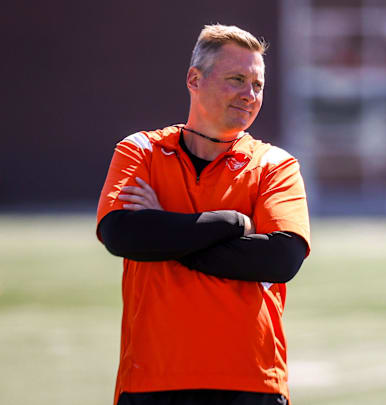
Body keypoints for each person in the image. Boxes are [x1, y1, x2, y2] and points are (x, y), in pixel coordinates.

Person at [96, 24, 310, 405]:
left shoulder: (274, 164)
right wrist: (229, 224)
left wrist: (164, 231)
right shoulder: (141, 151)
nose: (250, 95)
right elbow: (122, 234)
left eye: (258, 85)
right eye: (237, 79)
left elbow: (280, 258)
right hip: (152, 378)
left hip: (252, 380)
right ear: (195, 79)